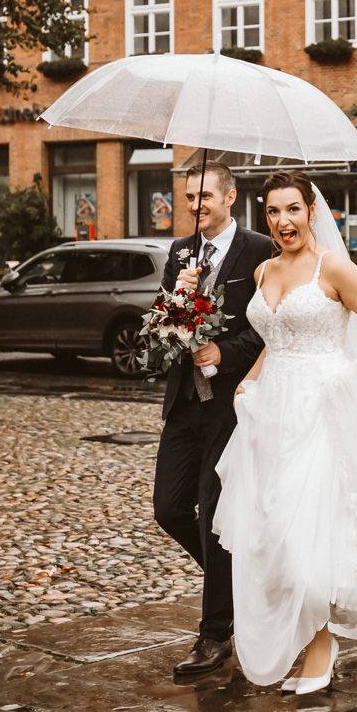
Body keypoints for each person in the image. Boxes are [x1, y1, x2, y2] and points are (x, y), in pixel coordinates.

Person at [213, 171, 357, 694]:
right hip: (270, 417)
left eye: (292, 209)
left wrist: (351, 375)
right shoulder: (265, 269)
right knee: (274, 538)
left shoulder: (333, 267)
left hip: (320, 411)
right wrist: (248, 381)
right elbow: (275, 337)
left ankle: (321, 648)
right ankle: (312, 645)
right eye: (272, 211)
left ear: (312, 211)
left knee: (312, 537)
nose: (282, 221)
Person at [152, 162, 268, 681]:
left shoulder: (259, 250)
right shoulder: (180, 252)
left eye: (204, 196)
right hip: (184, 406)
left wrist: (223, 350)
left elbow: (268, 329)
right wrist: (178, 298)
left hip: (229, 407)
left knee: (215, 516)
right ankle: (242, 584)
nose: (196, 205)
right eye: (189, 197)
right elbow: (163, 327)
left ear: (229, 196)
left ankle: (214, 633)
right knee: (170, 507)